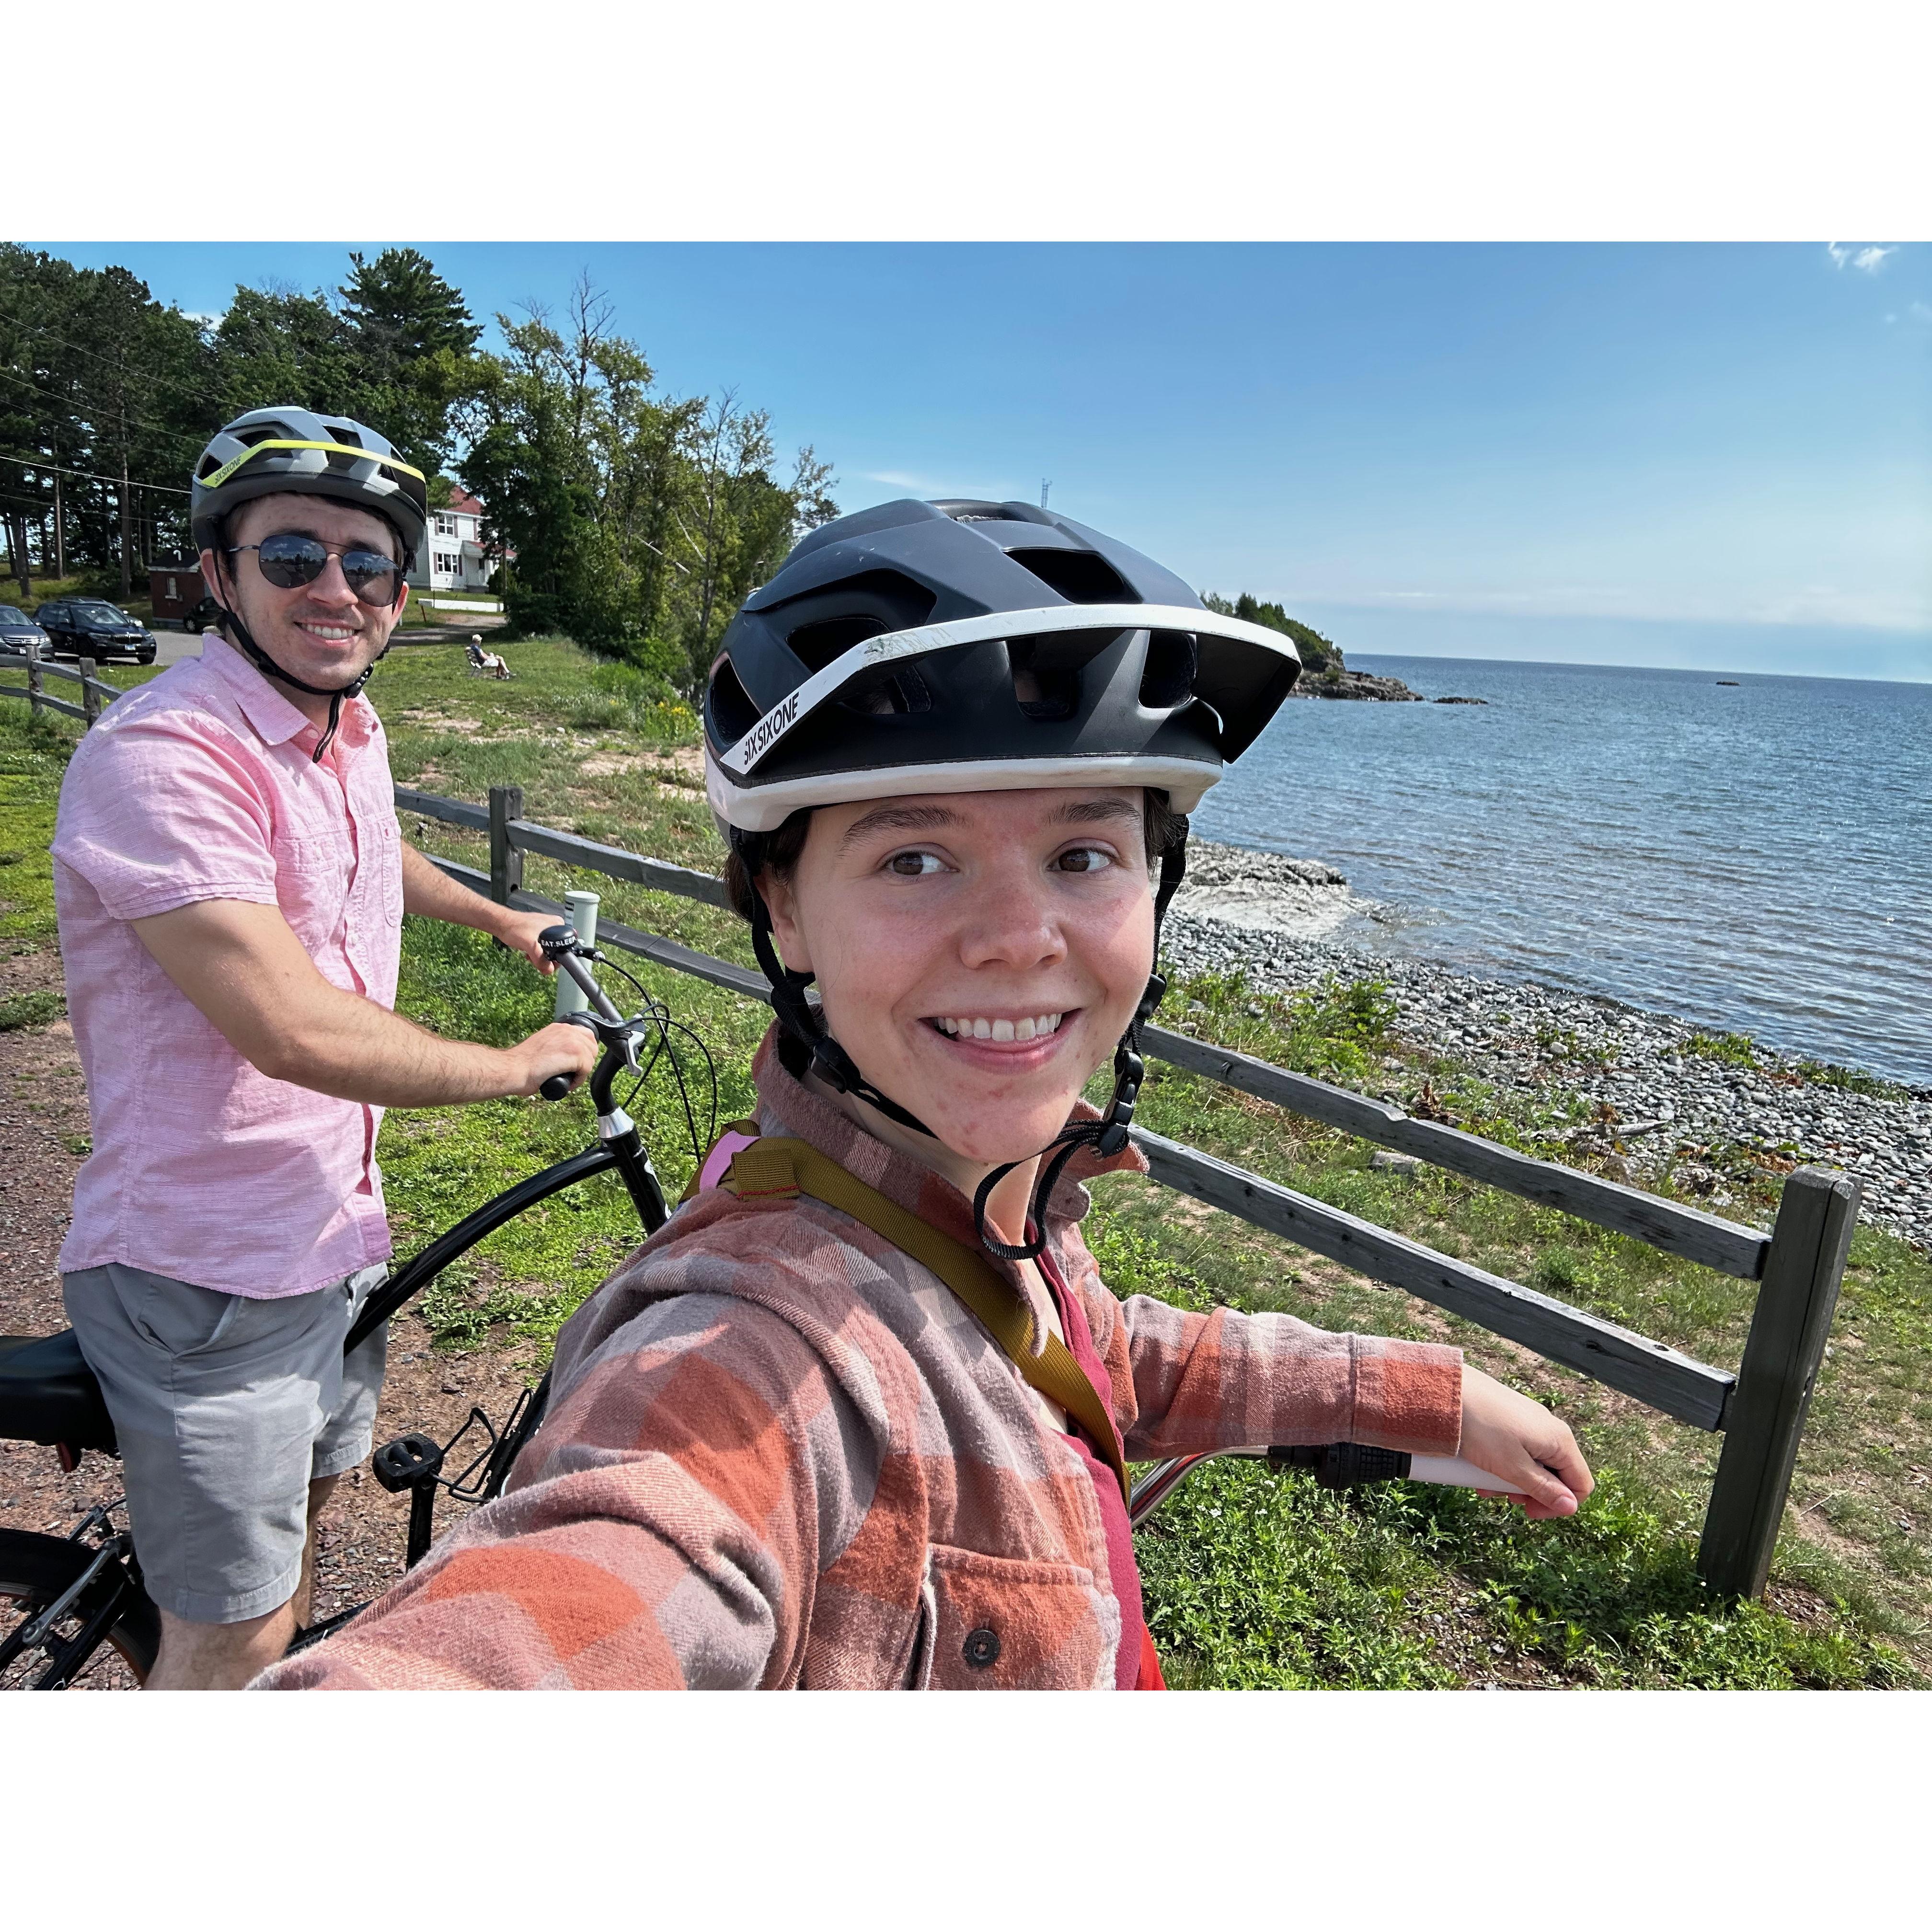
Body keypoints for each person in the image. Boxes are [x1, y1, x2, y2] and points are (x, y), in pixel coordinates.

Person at [259, 496, 1591, 1691]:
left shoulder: (984, 1216)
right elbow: (577, 1601)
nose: (1020, 938)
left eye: (1083, 851)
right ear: (782, 909)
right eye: (914, 859)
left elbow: (1110, 1358)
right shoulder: (752, 1362)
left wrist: (1417, 1392)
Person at [50, 406, 597, 1690]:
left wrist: (498, 913)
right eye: (294, 556)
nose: (336, 588)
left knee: (317, 1517)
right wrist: (519, 1066)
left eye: (369, 564)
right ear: (221, 576)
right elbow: (286, 1025)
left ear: (401, 596)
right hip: (208, 1273)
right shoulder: (165, 755)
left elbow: (368, 844)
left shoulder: (346, 728)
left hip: (336, 1233)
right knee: (230, 1632)